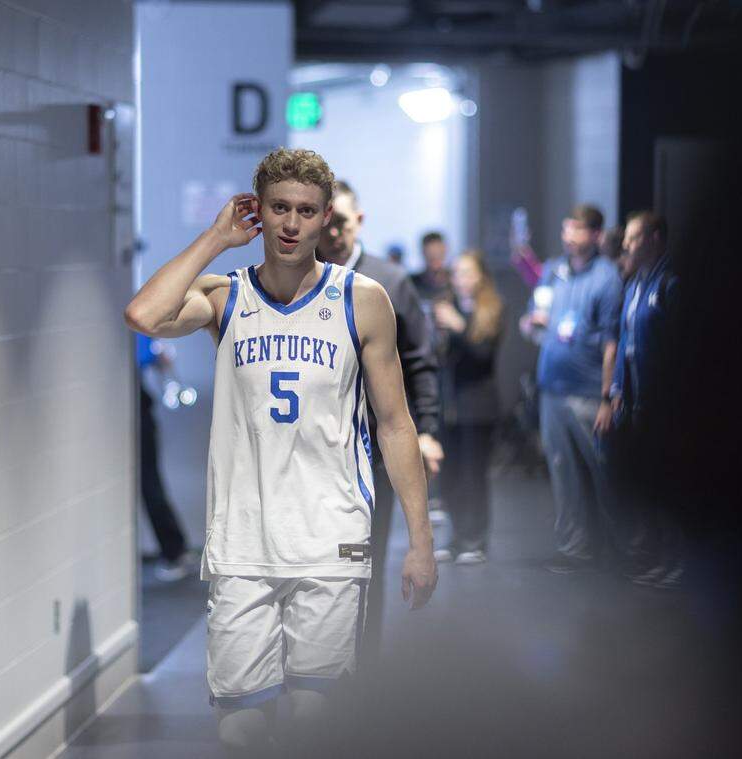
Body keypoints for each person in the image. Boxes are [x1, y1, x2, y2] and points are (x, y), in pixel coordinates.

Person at [123, 148, 437, 752]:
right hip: (242, 540)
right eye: (280, 208)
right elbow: (143, 314)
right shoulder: (225, 296)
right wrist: (215, 239)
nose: (292, 223)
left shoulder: (362, 298)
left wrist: (420, 543)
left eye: (307, 211)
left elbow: (395, 425)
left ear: (326, 219)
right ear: (258, 212)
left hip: (331, 539)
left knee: (312, 725)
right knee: (241, 730)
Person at [316, 181, 444, 666]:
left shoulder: (389, 281)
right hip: (317, 454)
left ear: (359, 221)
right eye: (325, 222)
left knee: (360, 566)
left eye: (341, 223)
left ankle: (358, 676)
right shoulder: (306, 280)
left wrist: (427, 431)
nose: (331, 232)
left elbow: (420, 362)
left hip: (373, 454)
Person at [519, 204, 623, 574]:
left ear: (595, 235)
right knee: (563, 474)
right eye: (566, 229)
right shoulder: (553, 271)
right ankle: (573, 549)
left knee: (605, 473)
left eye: (576, 230)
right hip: (552, 389)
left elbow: (613, 342)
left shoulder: (607, 278)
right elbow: (533, 323)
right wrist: (531, 322)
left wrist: (609, 396)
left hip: (589, 391)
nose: (568, 236)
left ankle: (622, 553)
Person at [609, 211, 684, 588]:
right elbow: (626, 342)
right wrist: (618, 388)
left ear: (655, 239)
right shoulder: (636, 284)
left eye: (634, 238)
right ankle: (654, 556)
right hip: (638, 402)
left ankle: (676, 560)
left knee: (670, 484)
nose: (626, 246)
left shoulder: (671, 283)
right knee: (649, 486)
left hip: (665, 405)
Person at [431, 250, 504, 564]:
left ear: (480, 276)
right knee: (451, 477)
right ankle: (458, 538)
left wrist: (458, 327)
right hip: (450, 406)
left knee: (474, 476)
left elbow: (483, 355)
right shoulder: (449, 307)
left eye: (466, 272)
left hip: (478, 407)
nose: (459, 278)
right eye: (456, 272)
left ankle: (477, 539)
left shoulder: (492, 309)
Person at [135, 333, 194, 582]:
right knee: (149, 484)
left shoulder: (135, 333)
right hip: (131, 409)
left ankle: (175, 550)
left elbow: (155, 356)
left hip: (137, 412)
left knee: (150, 484)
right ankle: (175, 550)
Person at [410, 231, 453, 304]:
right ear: (423, 253)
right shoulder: (411, 283)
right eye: (431, 254)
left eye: (438, 253)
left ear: (445, 251)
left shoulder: (455, 282)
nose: (435, 257)